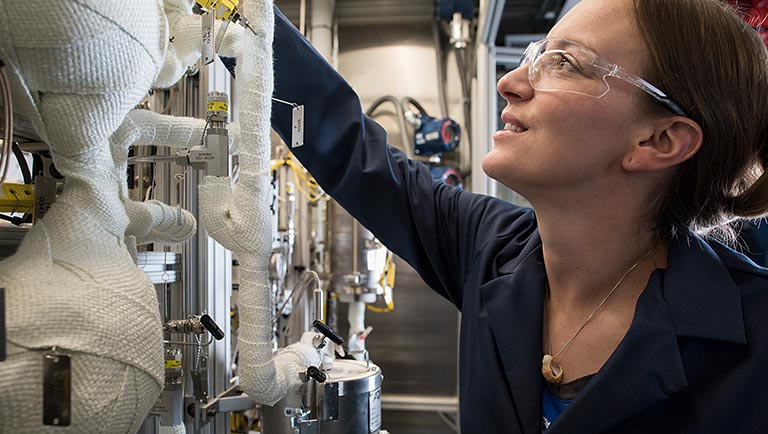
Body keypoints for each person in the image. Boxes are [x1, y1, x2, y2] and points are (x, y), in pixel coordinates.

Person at [268, 0, 768, 432]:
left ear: (659, 140)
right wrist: (241, 19)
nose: (511, 83)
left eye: (566, 63)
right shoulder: (492, 247)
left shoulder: (754, 339)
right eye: (536, 56)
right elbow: (351, 148)